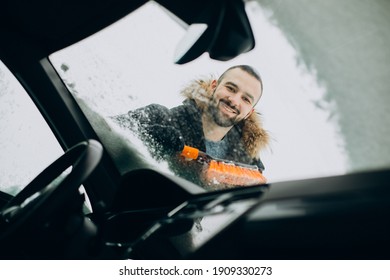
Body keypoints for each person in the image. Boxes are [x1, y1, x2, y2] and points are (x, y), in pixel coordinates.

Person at [112, 65, 269, 189]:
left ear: (250, 112)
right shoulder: (158, 117)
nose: (234, 101)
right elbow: (100, 131)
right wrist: (143, 139)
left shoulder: (247, 166)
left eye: (246, 99)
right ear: (214, 86)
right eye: (231, 88)